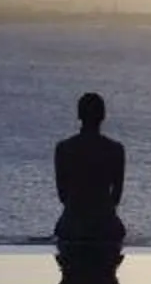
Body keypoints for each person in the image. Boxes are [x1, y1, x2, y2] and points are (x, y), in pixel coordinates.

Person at [54, 93, 126, 243]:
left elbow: (62, 194)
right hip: (105, 224)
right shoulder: (115, 149)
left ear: (79, 115)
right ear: (103, 116)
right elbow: (116, 195)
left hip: (72, 224)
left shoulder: (64, 148)